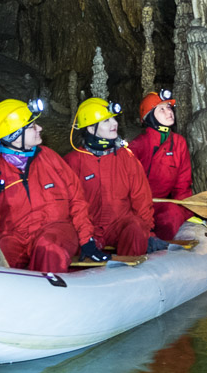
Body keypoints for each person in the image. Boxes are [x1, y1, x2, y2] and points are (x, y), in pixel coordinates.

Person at [0, 98, 109, 272]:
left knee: (48, 247)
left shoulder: (51, 159)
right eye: (32, 126)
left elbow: (77, 201)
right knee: (2, 251)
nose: (40, 128)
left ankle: (51, 291)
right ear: (15, 134)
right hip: (15, 236)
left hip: (57, 231)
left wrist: (87, 240)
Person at [65, 98, 160, 257]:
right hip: (88, 229)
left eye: (114, 118)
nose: (114, 123)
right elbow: (70, 205)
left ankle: (130, 273)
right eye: (106, 121)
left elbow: (141, 197)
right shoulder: (73, 162)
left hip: (119, 225)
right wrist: (85, 238)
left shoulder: (126, 157)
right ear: (90, 128)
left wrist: (147, 231)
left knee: (136, 227)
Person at [127, 88, 198, 241]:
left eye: (169, 107)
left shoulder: (179, 143)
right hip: (136, 206)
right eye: (161, 109)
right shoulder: (138, 145)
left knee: (172, 213)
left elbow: (183, 185)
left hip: (160, 205)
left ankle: (161, 247)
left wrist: (187, 213)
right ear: (150, 116)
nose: (169, 112)